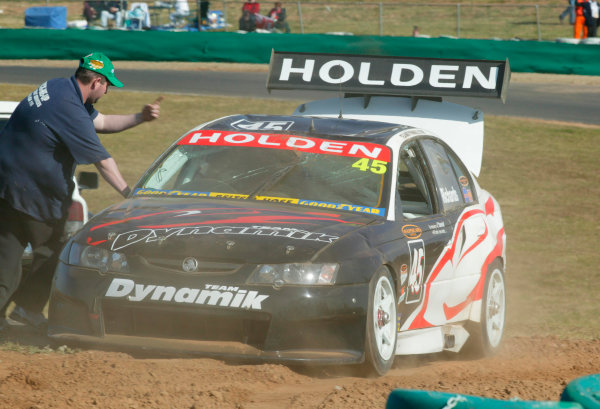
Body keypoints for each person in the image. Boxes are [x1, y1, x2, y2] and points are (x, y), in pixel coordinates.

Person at [0, 52, 162, 331]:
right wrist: (130, 194)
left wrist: (140, 117)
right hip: (33, 197)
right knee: (54, 251)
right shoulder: (70, 109)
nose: (108, 90)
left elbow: (102, 123)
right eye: (108, 85)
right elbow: (103, 161)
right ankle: (27, 310)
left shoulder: (56, 87)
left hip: (6, 189)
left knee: (7, 258)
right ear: (96, 81)